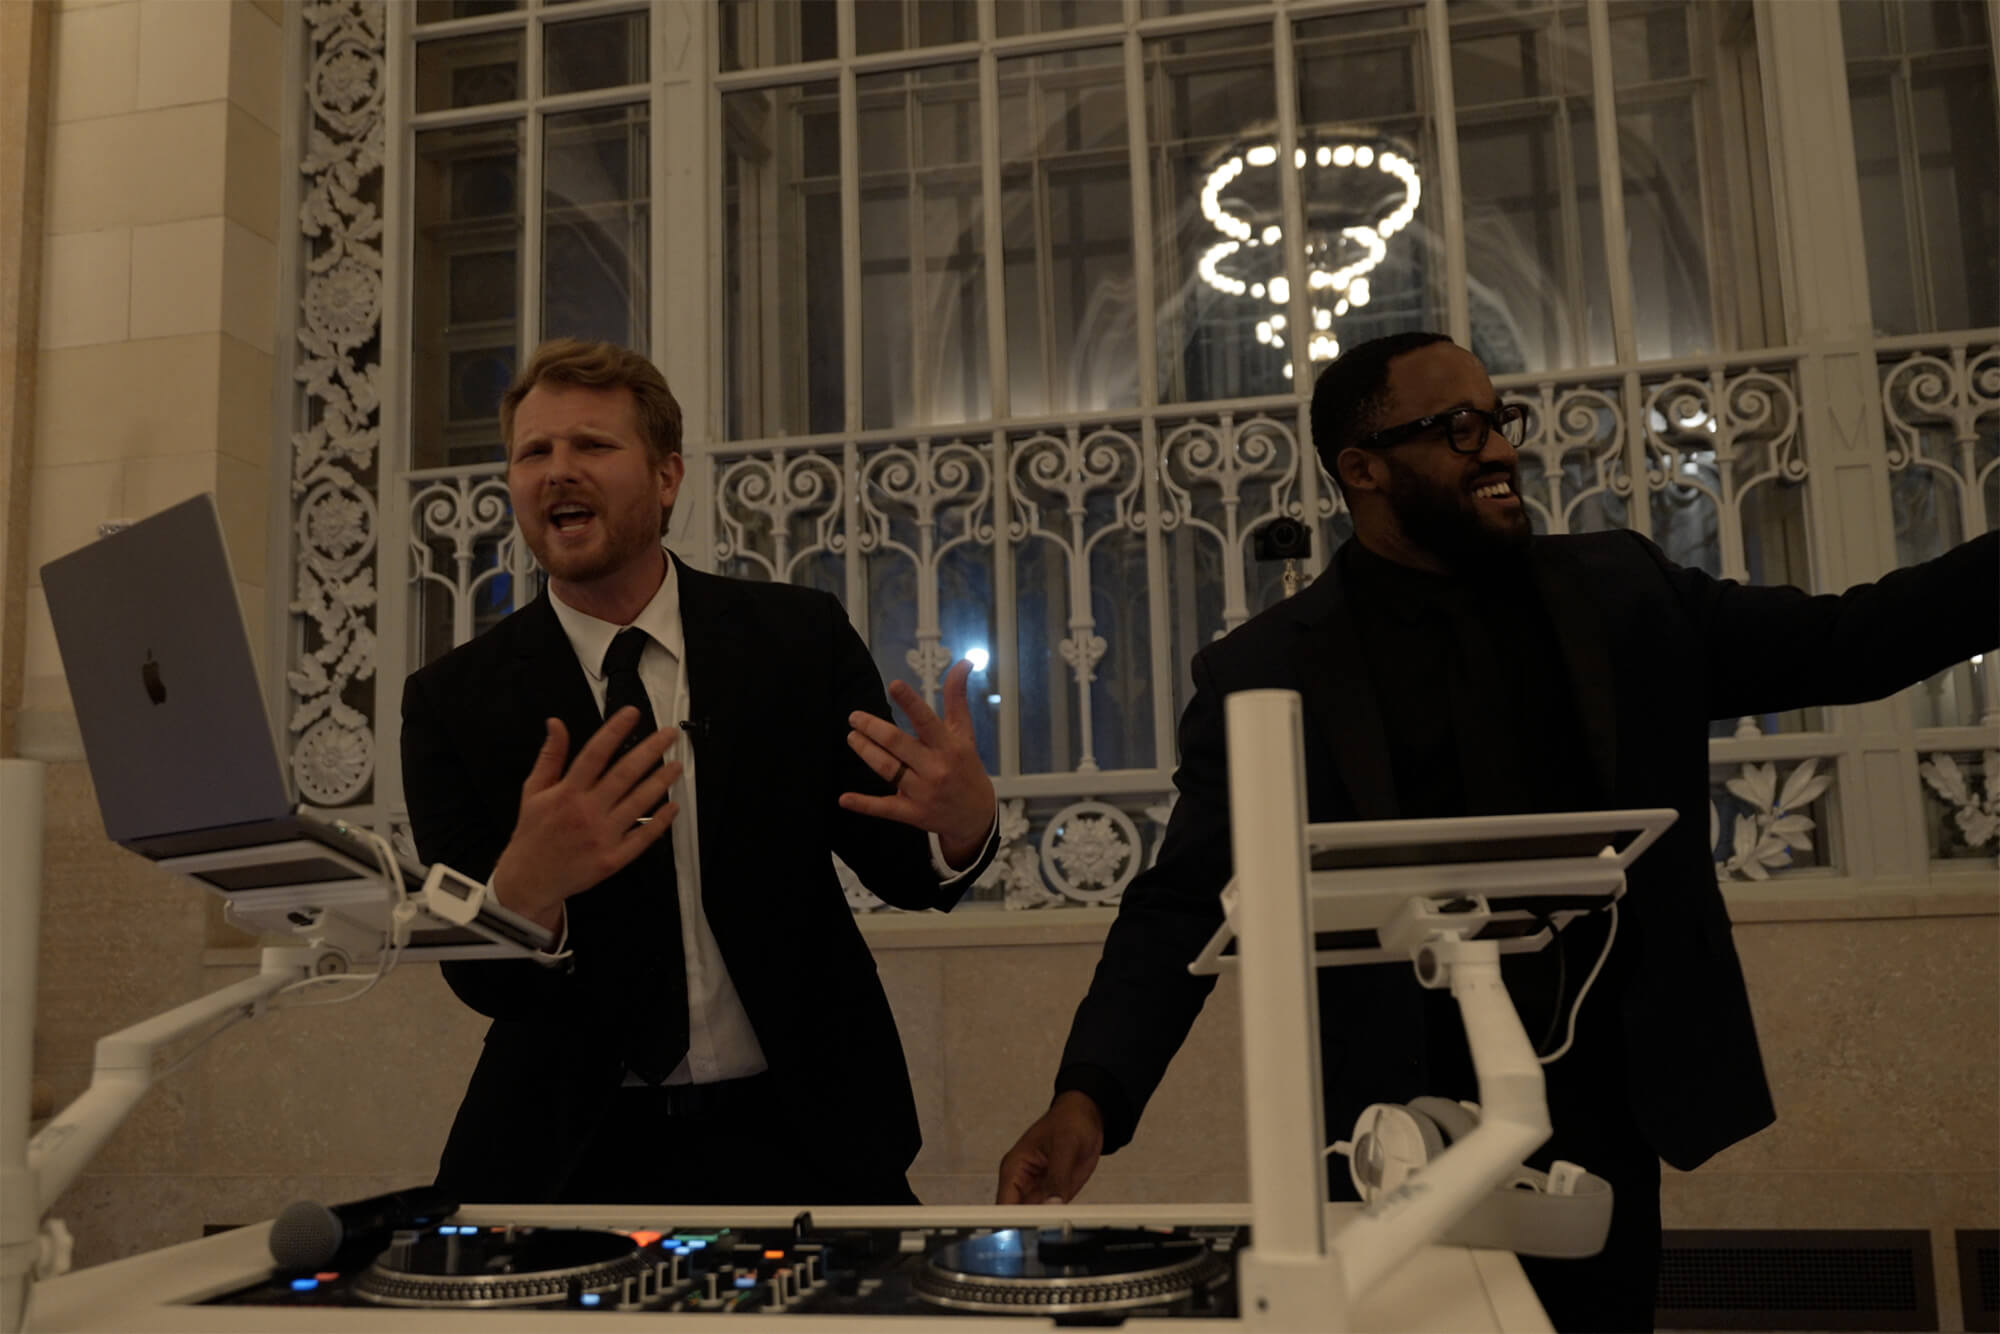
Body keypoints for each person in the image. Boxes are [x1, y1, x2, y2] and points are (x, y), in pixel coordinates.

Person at [994, 331, 1999, 1331]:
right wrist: (1090, 1091)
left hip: (1601, 1105)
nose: (1498, 449)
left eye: (1497, 420)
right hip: (1392, 1122)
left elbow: (1842, 644)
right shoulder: (1263, 669)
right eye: (1457, 427)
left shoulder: (1622, 591)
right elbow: (1180, 905)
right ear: (1362, 468)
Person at [402, 338, 998, 1208]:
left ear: (667, 476)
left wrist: (963, 824)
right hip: (571, 1155)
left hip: (807, 1136)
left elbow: (904, 871)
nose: (557, 472)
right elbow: (482, 982)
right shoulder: (452, 699)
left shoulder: (798, 639)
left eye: (592, 447)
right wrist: (524, 888)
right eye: (534, 453)